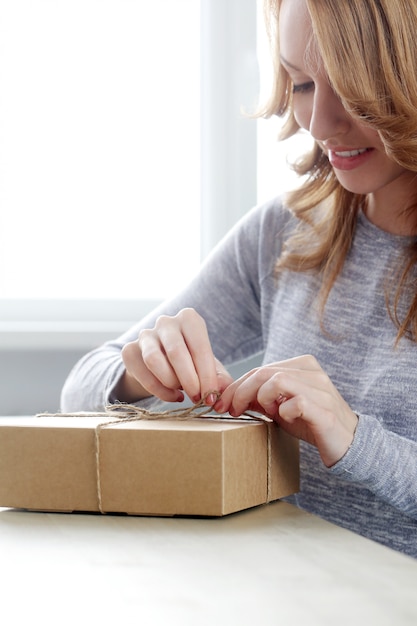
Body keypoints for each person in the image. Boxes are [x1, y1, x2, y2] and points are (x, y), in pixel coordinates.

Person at [61, 0, 417, 558]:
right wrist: (143, 371)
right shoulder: (286, 232)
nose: (319, 123)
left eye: (352, 90)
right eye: (300, 84)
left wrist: (355, 439)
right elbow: (82, 384)